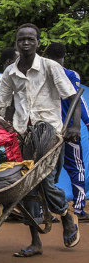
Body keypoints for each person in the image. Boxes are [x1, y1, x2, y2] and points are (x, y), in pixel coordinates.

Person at [0, 24, 82, 258]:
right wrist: (4, 132)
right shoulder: (10, 72)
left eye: (30, 39)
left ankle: (65, 215)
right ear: (16, 43)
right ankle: (35, 241)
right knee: (25, 186)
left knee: (44, 181)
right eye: (21, 39)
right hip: (23, 135)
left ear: (37, 42)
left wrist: (74, 125)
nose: (26, 43)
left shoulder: (50, 66)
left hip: (50, 134)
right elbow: (5, 104)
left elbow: (72, 96)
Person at [44, 42, 89, 223]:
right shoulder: (70, 75)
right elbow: (78, 101)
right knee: (76, 168)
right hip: (69, 130)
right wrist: (85, 122)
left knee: (45, 169)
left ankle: (45, 209)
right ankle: (78, 209)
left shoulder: (42, 76)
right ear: (63, 57)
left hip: (46, 132)